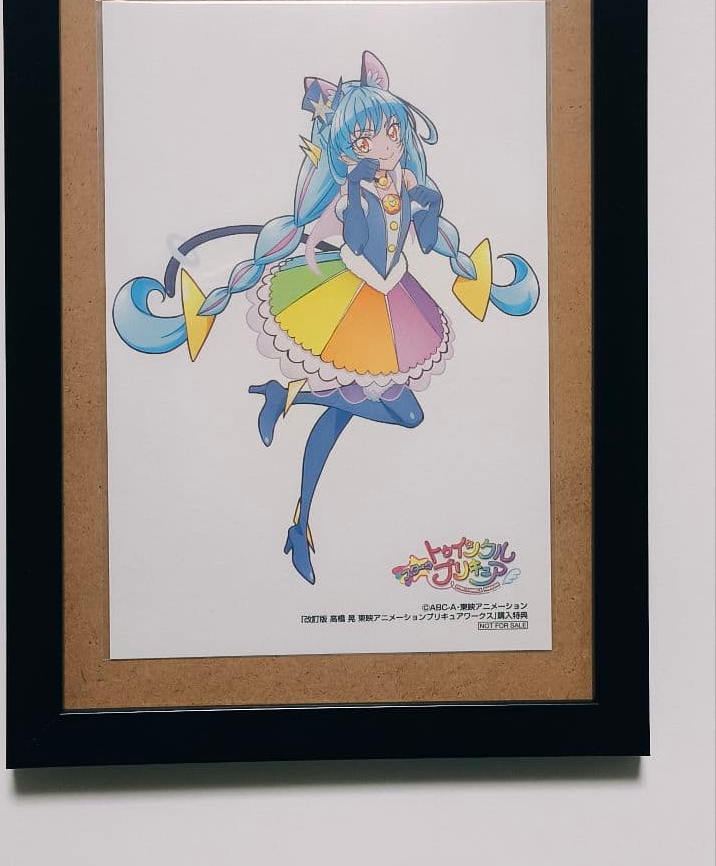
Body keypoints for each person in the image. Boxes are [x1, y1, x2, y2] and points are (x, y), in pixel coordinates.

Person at [114, 50, 539, 584]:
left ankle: (294, 463)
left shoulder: (407, 182)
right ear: (348, 148)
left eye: (391, 131)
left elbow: (432, 241)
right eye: (367, 138)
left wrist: (433, 212)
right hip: (350, 300)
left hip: (395, 302)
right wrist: (343, 205)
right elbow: (330, 234)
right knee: (389, 410)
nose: (385, 144)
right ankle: (295, 456)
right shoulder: (350, 190)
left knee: (365, 411)